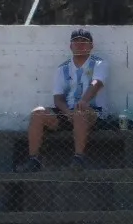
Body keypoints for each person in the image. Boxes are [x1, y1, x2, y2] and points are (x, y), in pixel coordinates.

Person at [15, 28, 109, 172]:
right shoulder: (62, 68)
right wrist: (67, 112)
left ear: (91, 46)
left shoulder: (99, 63)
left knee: (80, 112)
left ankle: (79, 159)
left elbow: (97, 83)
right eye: (76, 42)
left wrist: (83, 102)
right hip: (68, 113)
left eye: (84, 42)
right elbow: (57, 98)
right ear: (70, 46)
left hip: (92, 113)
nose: (80, 45)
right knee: (38, 113)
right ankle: (34, 160)